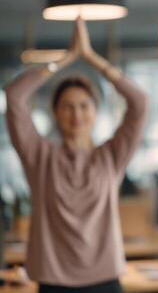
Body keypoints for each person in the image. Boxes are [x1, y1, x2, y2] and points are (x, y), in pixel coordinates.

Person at [4, 19, 148, 293]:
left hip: (105, 279)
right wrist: (65, 59)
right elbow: (14, 96)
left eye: (84, 106)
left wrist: (92, 58)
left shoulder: (111, 156)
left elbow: (140, 102)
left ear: (95, 112)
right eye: (67, 106)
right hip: (53, 281)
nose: (77, 114)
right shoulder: (39, 156)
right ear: (55, 113)